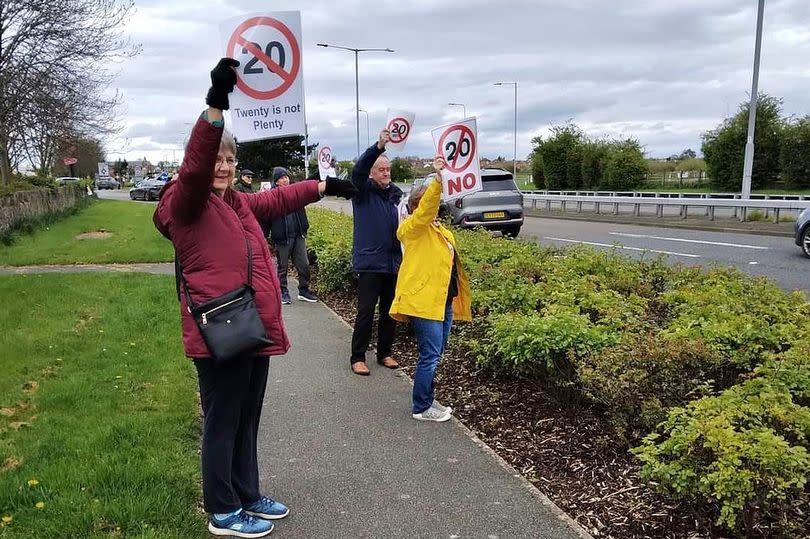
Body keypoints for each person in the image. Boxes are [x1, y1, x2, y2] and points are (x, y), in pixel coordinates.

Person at [152, 57, 357, 538]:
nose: (222, 166)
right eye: (217, 160)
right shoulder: (188, 203)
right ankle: (222, 510)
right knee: (222, 422)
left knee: (247, 419)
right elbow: (196, 167)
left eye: (230, 160)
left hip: (251, 327)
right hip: (220, 329)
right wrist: (216, 105)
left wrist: (324, 185)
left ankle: (247, 493)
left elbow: (279, 199)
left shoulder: (237, 202)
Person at [389, 156, 472, 422]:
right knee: (430, 355)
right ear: (417, 206)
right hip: (423, 303)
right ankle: (421, 407)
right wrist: (438, 180)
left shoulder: (441, 232)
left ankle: (426, 398)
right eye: (431, 203)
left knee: (435, 353)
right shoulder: (411, 228)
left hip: (443, 302)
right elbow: (425, 210)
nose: (436, 208)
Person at [348, 129, 404, 375]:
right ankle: (357, 356)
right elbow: (358, 170)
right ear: (372, 172)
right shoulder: (361, 191)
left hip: (393, 263)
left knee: (389, 311)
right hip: (370, 263)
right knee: (366, 312)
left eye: (388, 170)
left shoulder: (395, 196)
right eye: (381, 169)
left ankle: (384, 353)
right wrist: (379, 146)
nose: (386, 173)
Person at [266, 166, 318, 305]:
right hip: (282, 238)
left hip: (298, 234)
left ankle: (304, 290)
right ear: (276, 181)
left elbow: (309, 183)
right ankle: (283, 292)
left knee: (304, 264)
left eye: (287, 177)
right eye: (282, 178)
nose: (286, 180)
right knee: (282, 267)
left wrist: (321, 169)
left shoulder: (295, 193)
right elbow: (265, 218)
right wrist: (264, 237)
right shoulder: (272, 197)